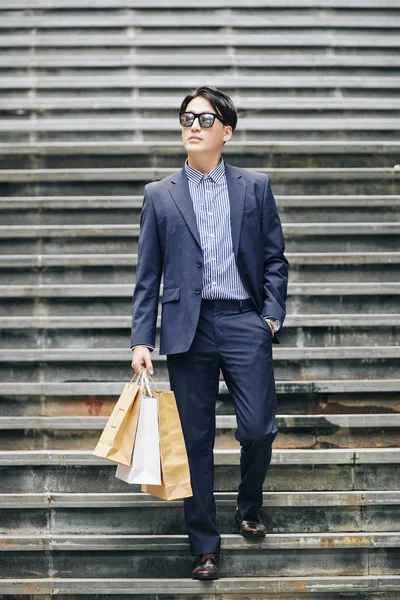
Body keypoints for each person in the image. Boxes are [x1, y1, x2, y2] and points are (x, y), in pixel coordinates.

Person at [130, 86, 289, 580]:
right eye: (186, 118)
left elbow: (273, 259)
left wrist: (270, 317)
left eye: (204, 118)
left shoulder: (254, 186)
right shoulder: (160, 195)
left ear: (227, 130)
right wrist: (141, 340)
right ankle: (205, 546)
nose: (192, 126)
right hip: (189, 330)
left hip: (244, 321)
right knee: (195, 441)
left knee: (259, 427)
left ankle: (248, 504)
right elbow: (147, 273)